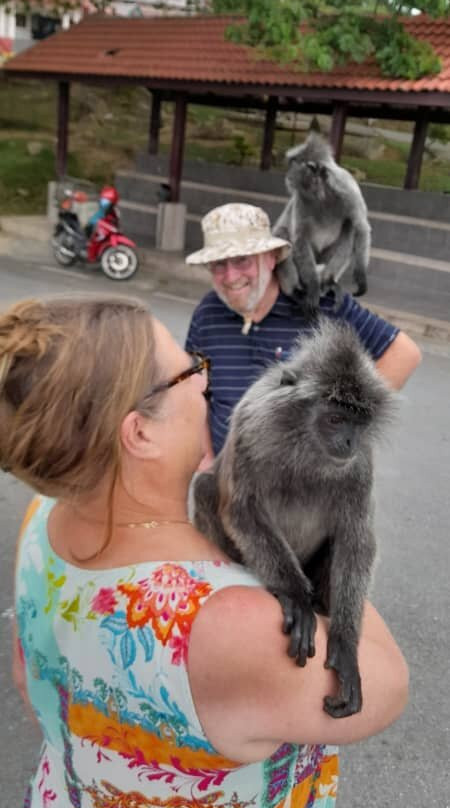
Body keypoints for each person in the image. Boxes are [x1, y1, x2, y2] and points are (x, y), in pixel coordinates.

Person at [2, 295, 408, 807]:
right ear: (140, 431)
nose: (205, 380)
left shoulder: (42, 519)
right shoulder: (233, 623)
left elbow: (28, 676)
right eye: (185, 372)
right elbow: (388, 685)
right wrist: (326, 557)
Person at [185, 203, 422, 460]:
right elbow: (194, 388)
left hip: (304, 490)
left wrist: (348, 426)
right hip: (230, 482)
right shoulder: (207, 313)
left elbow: (403, 354)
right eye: (218, 264)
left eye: (242, 260)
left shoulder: (320, 304)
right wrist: (208, 458)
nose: (230, 276)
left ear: (271, 257)